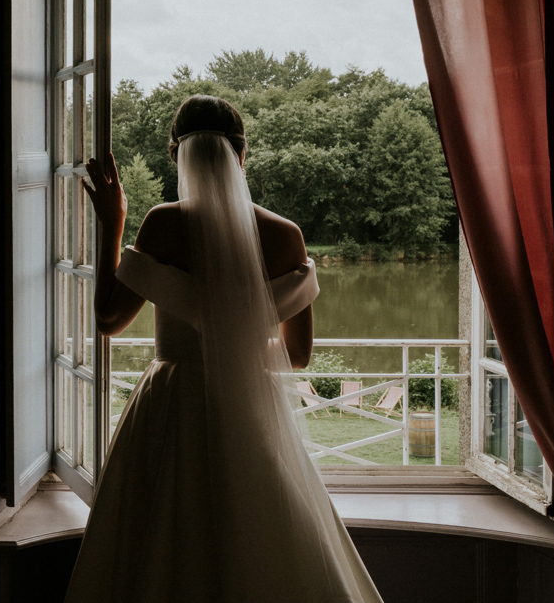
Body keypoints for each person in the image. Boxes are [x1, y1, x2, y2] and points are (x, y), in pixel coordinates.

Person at [64, 94, 383, 602]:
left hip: (170, 405)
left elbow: (108, 321)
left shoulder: (163, 225)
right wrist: (237, 332)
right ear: (242, 154)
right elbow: (297, 355)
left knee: (160, 545)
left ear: (176, 154)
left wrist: (113, 222)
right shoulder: (286, 236)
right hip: (248, 403)